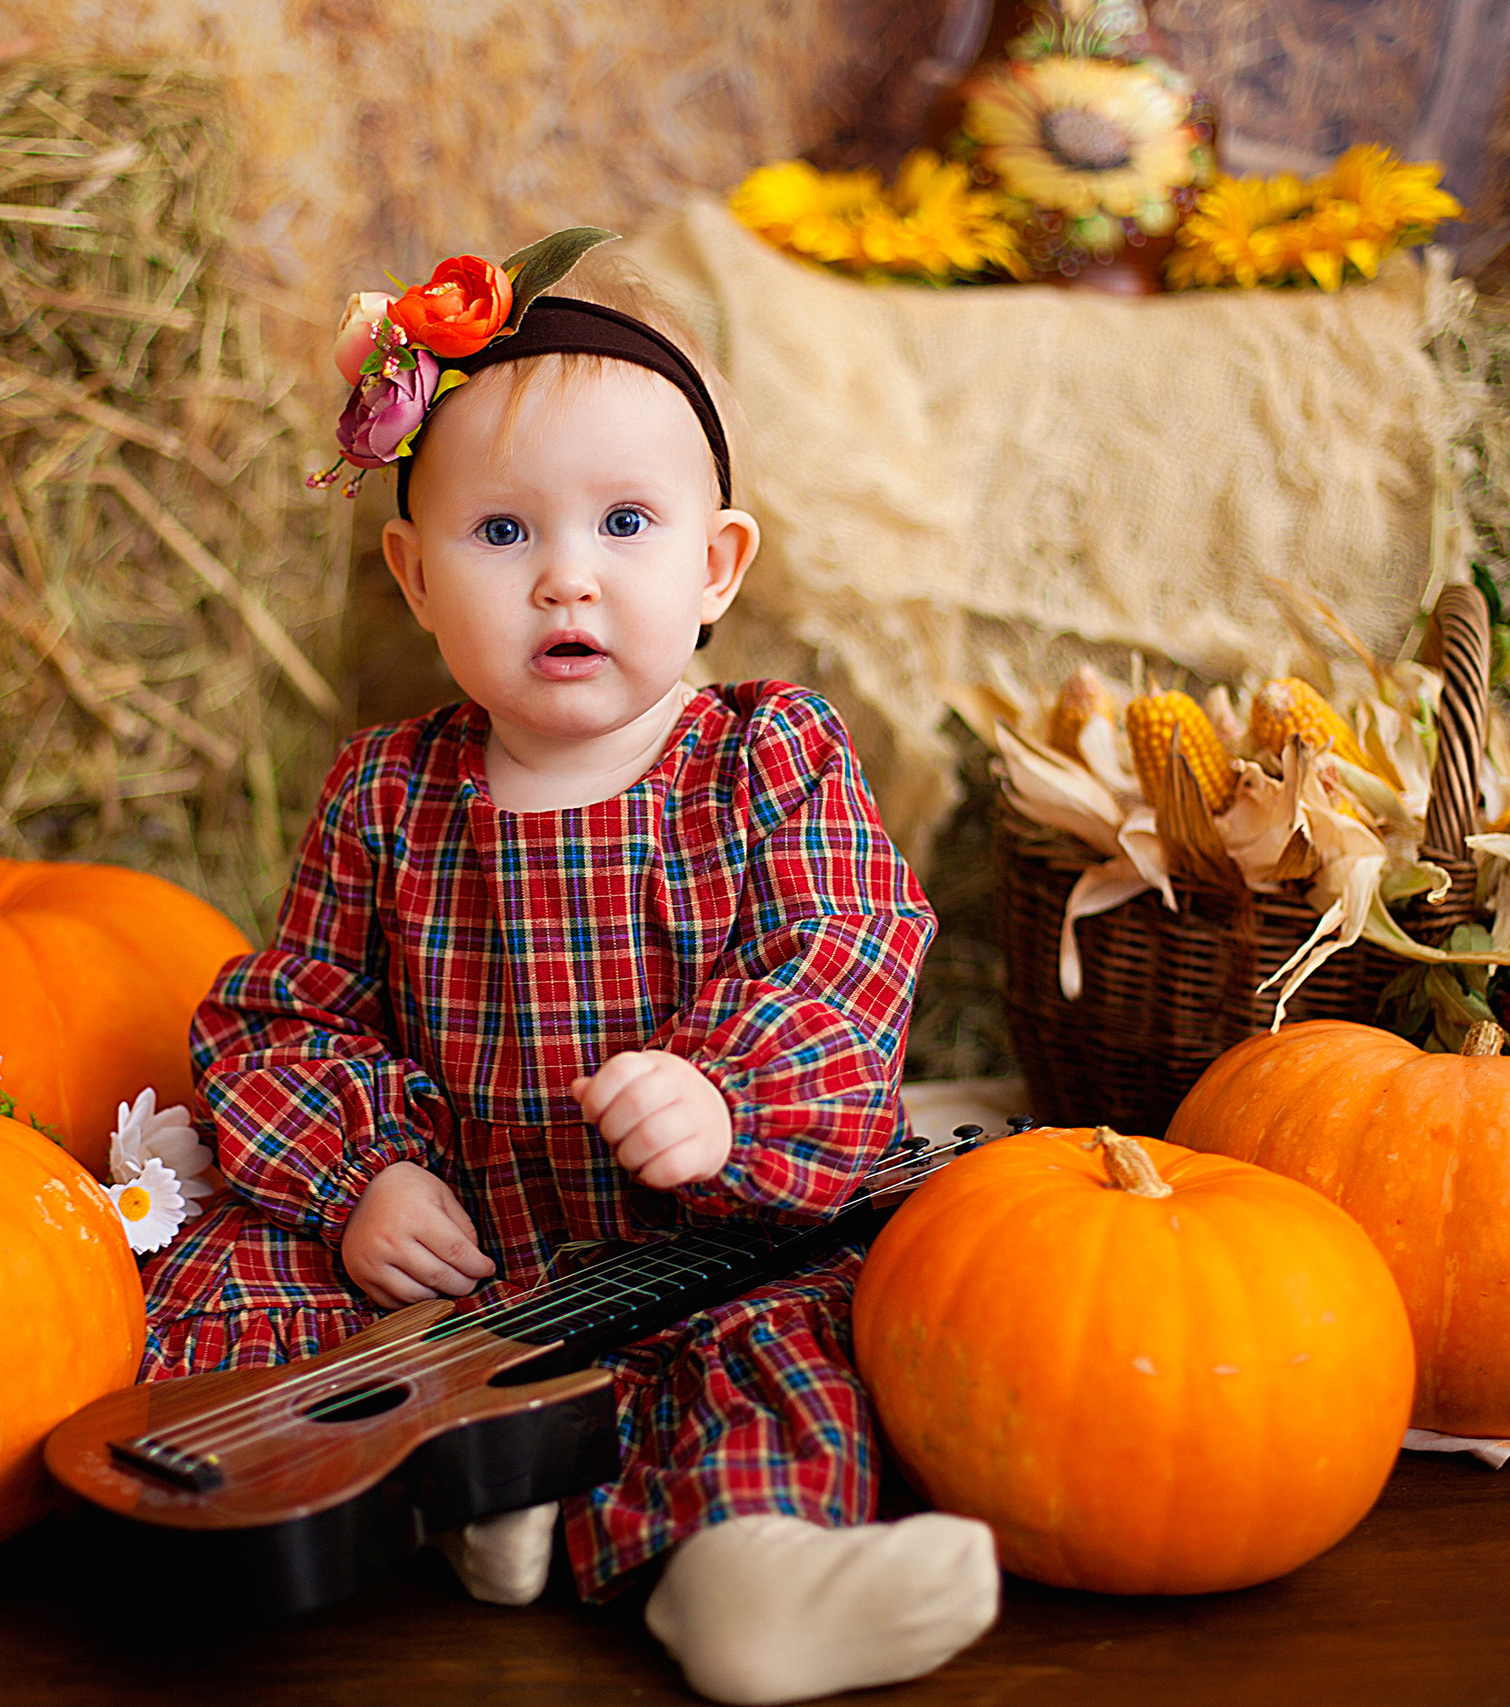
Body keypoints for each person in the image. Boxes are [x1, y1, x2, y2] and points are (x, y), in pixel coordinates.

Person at [138, 244, 998, 1705]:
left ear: (714, 565)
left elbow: (849, 944)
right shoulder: (391, 793)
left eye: (622, 521)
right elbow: (287, 1015)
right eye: (498, 532)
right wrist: (364, 1186)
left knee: (775, 1351)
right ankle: (449, 1495)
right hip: (461, 1260)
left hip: (706, 1242)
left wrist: (726, 1098)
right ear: (413, 575)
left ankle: (743, 1575)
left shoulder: (760, 756)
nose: (565, 577)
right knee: (240, 1281)